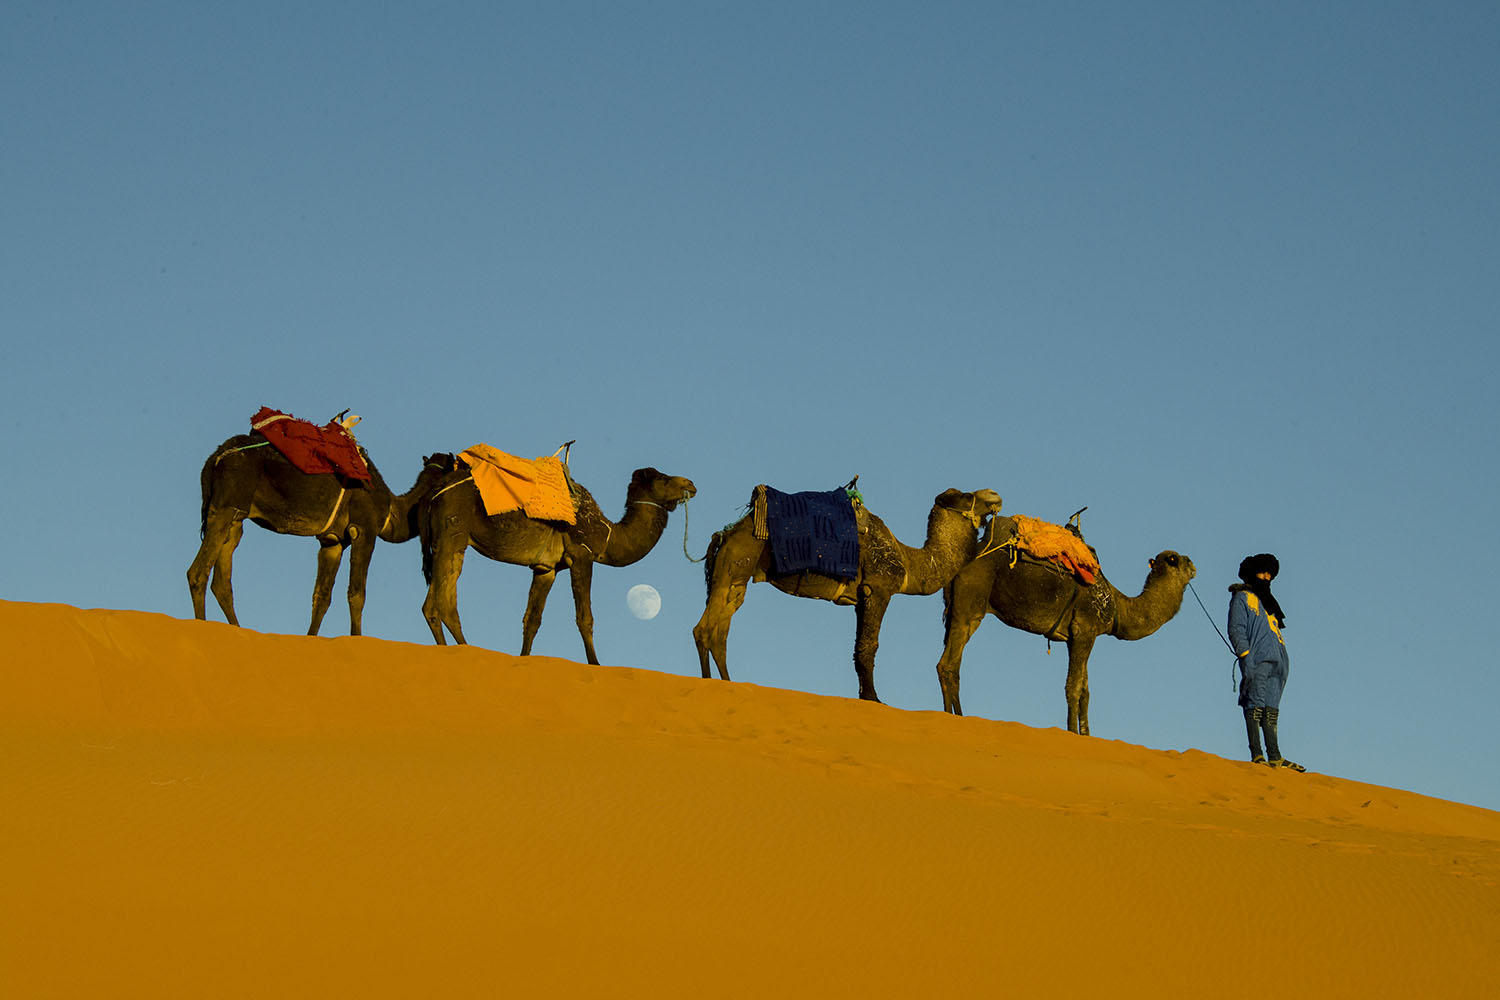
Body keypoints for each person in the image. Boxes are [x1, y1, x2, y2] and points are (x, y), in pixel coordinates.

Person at [1227, 553, 1304, 771]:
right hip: (1257, 659)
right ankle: (1257, 754)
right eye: (1262, 573)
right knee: (1255, 705)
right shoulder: (1242, 598)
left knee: (1271, 710)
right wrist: (1245, 654)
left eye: (1269, 574)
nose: (1266, 577)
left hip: (1278, 664)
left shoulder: (1270, 604)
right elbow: (1236, 628)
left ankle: (1275, 756)